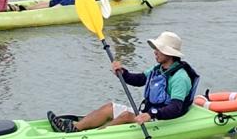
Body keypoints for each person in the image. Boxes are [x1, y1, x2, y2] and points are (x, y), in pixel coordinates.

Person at [48, 32, 198, 132]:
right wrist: (123, 72)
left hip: (163, 121)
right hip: (149, 114)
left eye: (158, 49)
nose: (155, 51)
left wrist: (151, 114)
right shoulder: (159, 69)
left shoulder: (180, 77)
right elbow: (139, 80)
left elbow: (176, 108)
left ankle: (92, 136)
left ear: (169, 53)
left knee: (126, 115)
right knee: (109, 108)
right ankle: (76, 127)